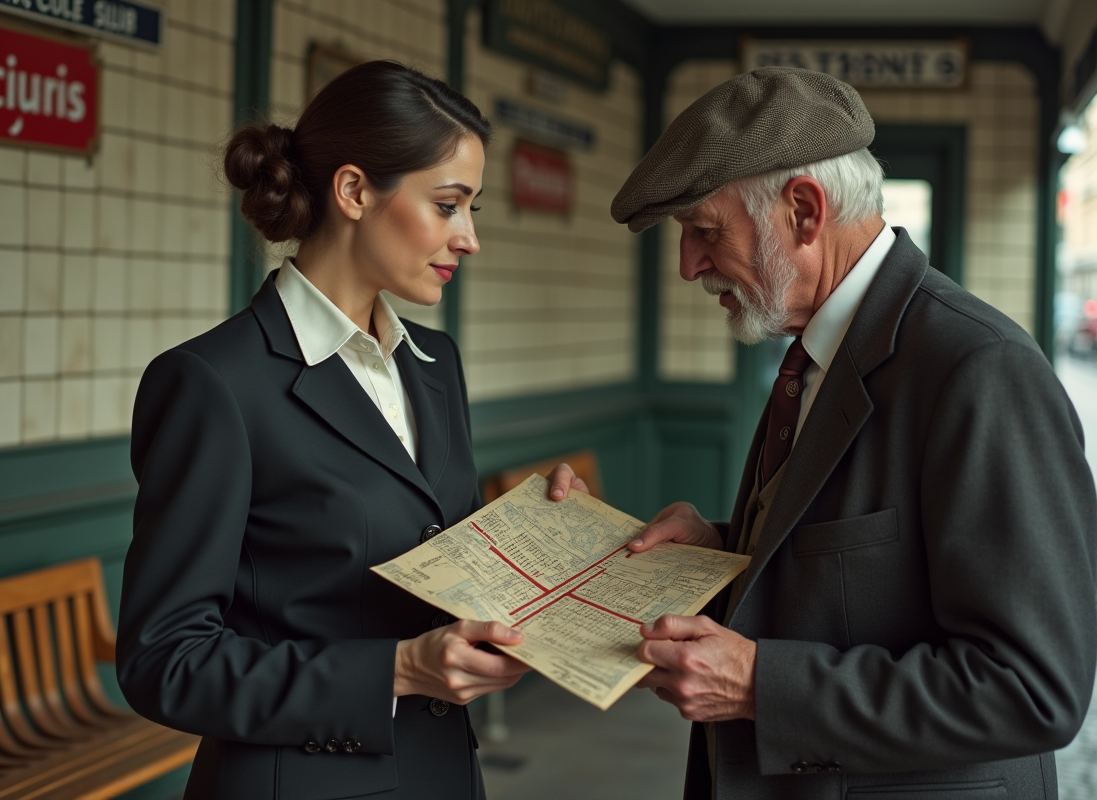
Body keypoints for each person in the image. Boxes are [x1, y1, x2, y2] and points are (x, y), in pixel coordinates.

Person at [550, 66, 1097, 799]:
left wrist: (760, 686)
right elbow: (862, 576)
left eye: (705, 231)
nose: (688, 266)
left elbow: (1032, 688)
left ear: (804, 212)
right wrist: (723, 554)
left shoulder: (981, 368)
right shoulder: (813, 352)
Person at [116, 61, 534, 800]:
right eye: (448, 205)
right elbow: (165, 662)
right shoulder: (213, 383)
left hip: (442, 775)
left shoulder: (436, 363)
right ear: (353, 191)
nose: (469, 238)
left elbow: (441, 560)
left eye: (472, 209)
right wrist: (397, 670)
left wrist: (546, 541)